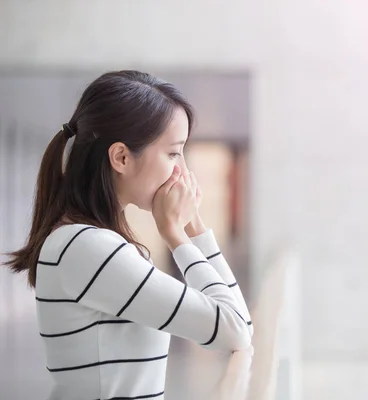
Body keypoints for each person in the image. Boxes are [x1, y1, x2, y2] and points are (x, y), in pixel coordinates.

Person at [3, 70, 253, 400]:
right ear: (121, 157)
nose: (181, 171)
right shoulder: (87, 248)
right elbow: (233, 331)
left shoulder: (94, 243)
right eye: (173, 153)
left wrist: (194, 226)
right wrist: (176, 235)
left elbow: (240, 326)